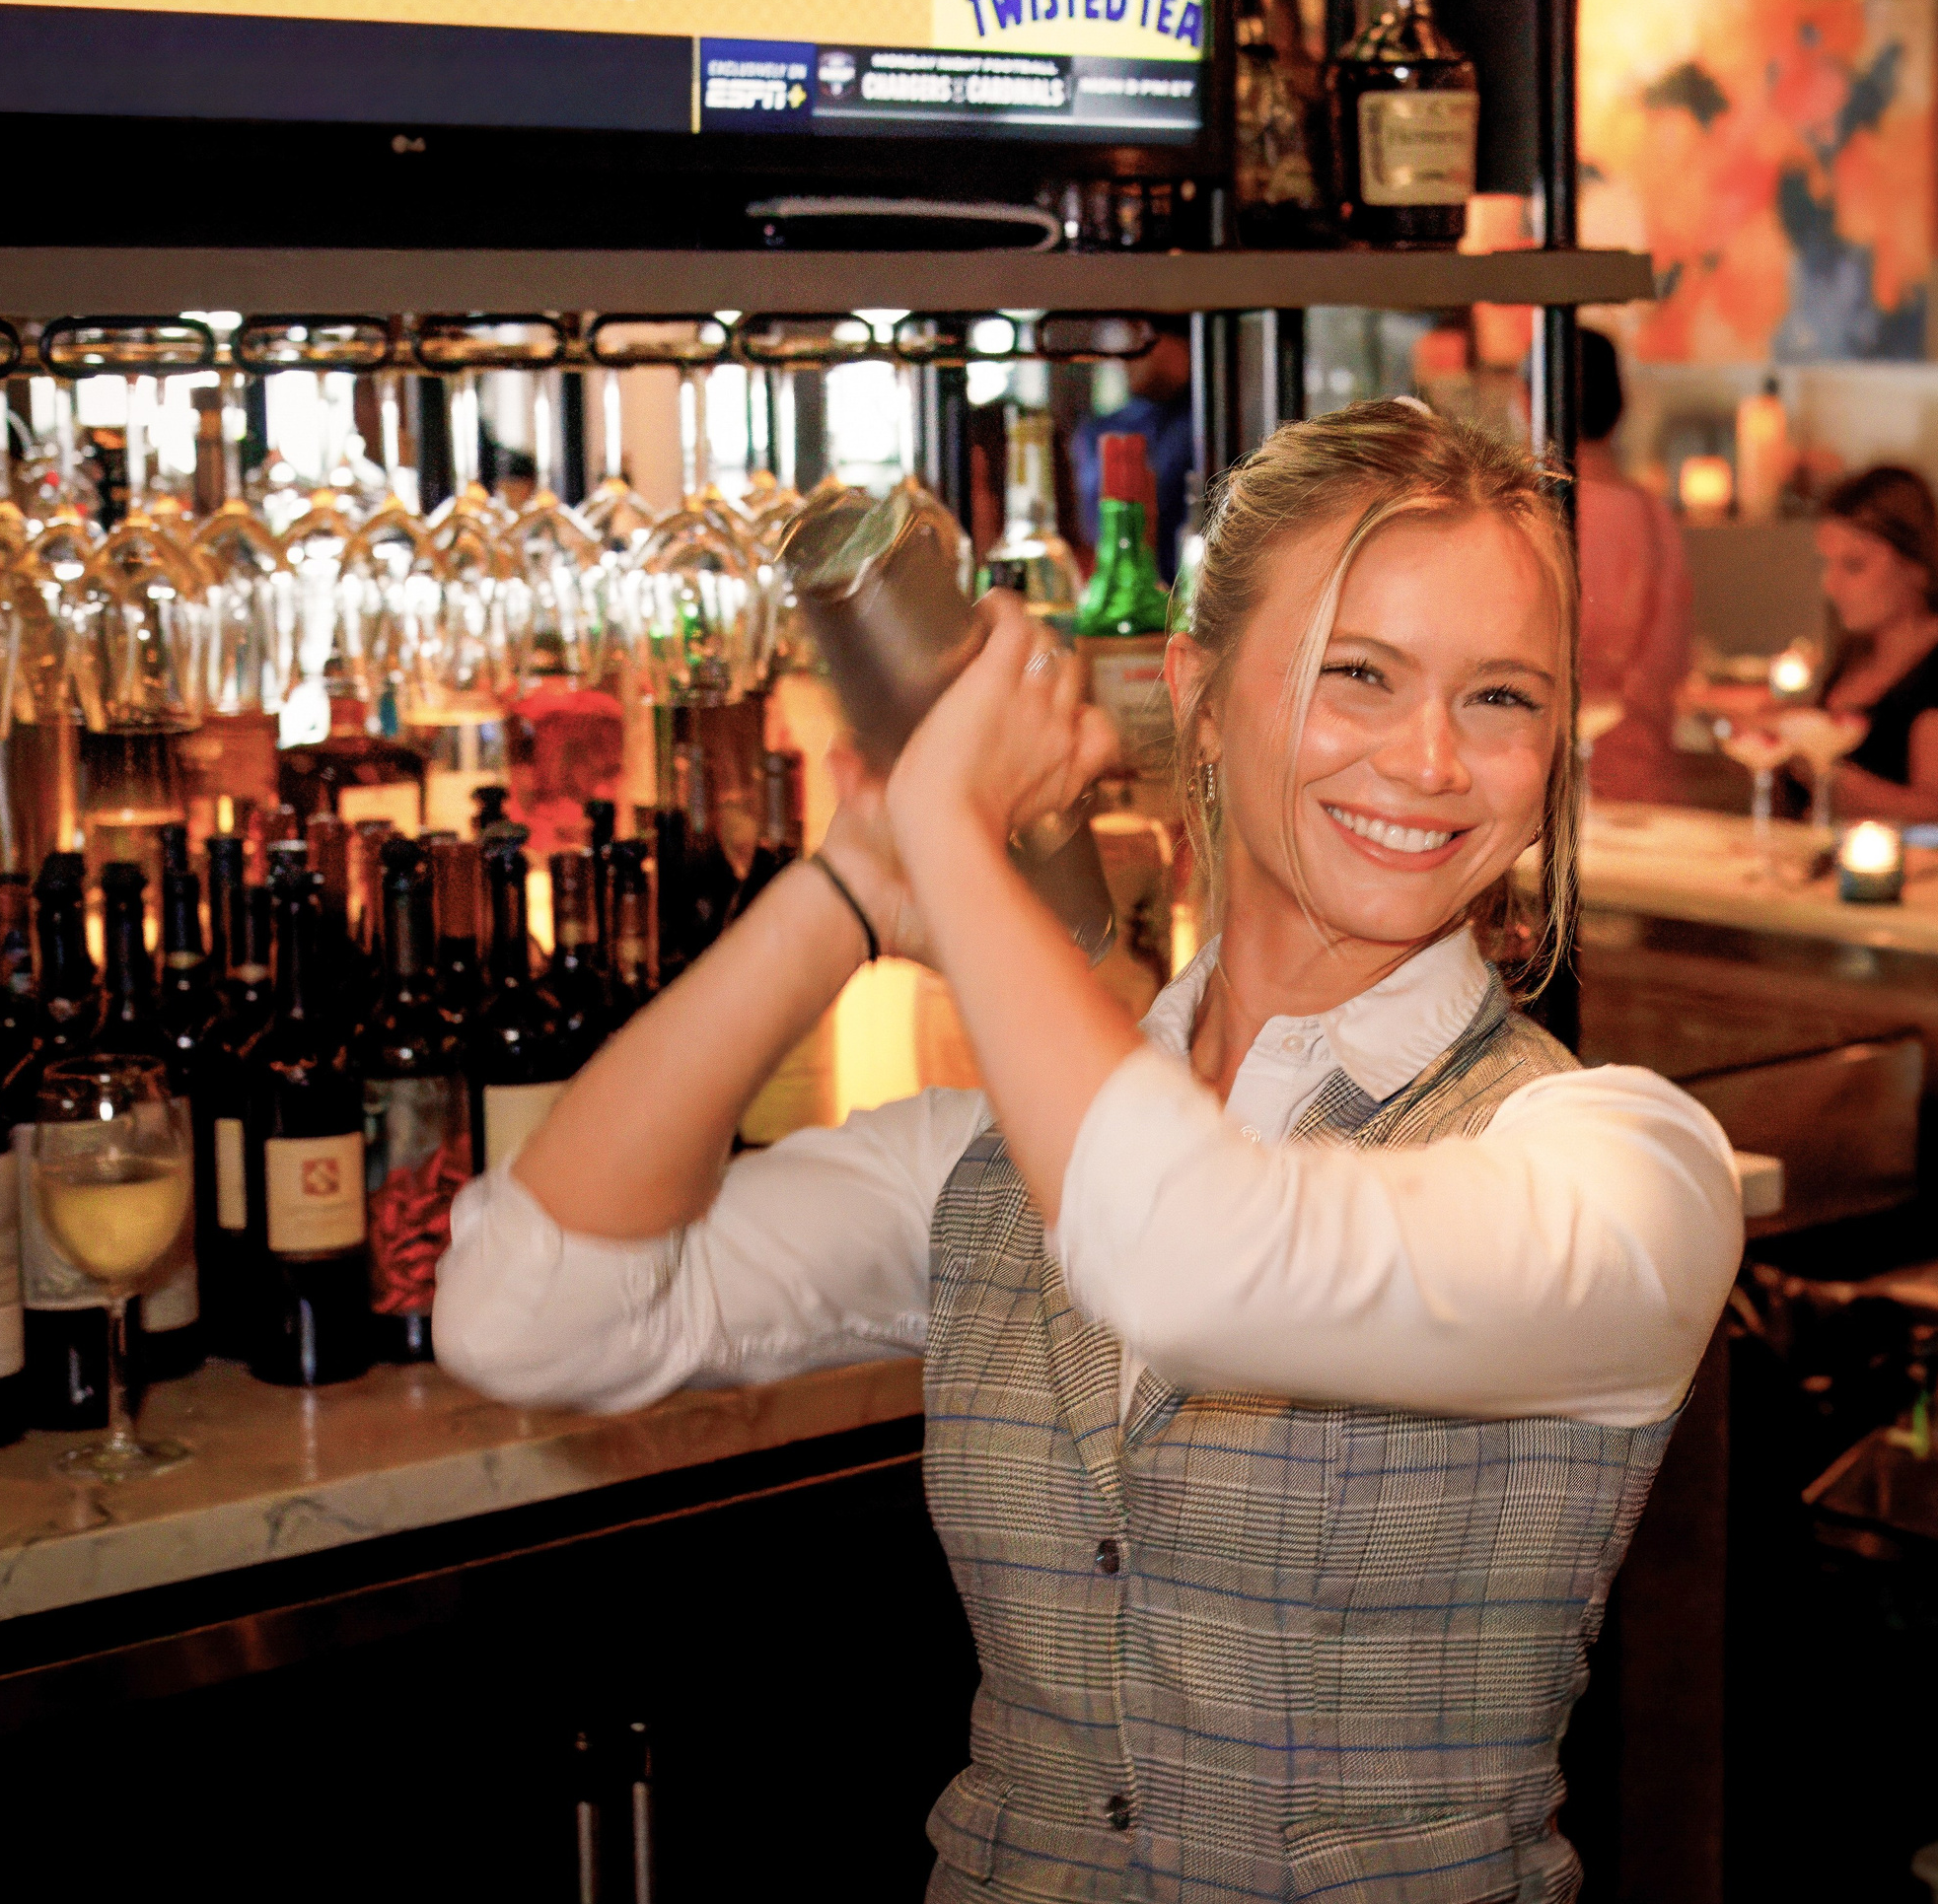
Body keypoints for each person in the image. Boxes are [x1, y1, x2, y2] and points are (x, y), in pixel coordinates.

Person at [434, 401, 1744, 1901]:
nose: (1431, 759)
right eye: (1356, 674)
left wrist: (943, 818)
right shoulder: (991, 1164)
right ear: (1192, 693)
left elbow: (1190, 1253)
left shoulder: (1622, 1166)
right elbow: (527, 1315)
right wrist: (850, 888)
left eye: (1503, 699)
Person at [1811, 464, 1938, 825]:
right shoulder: (1854, 656)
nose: (1830, 585)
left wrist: (1823, 776)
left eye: (1854, 566)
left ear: (1916, 567)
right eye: (1828, 565)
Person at [1575, 328, 1693, 803]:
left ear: (1531, 400)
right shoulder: (1653, 516)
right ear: (1619, 408)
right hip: (1640, 780)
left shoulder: (1521, 511)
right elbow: (1670, 661)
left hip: (1539, 786)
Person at [1072, 316, 1193, 581]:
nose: (1124, 359)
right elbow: (1097, 530)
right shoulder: (1101, 431)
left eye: (1137, 340)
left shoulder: (1211, 424)